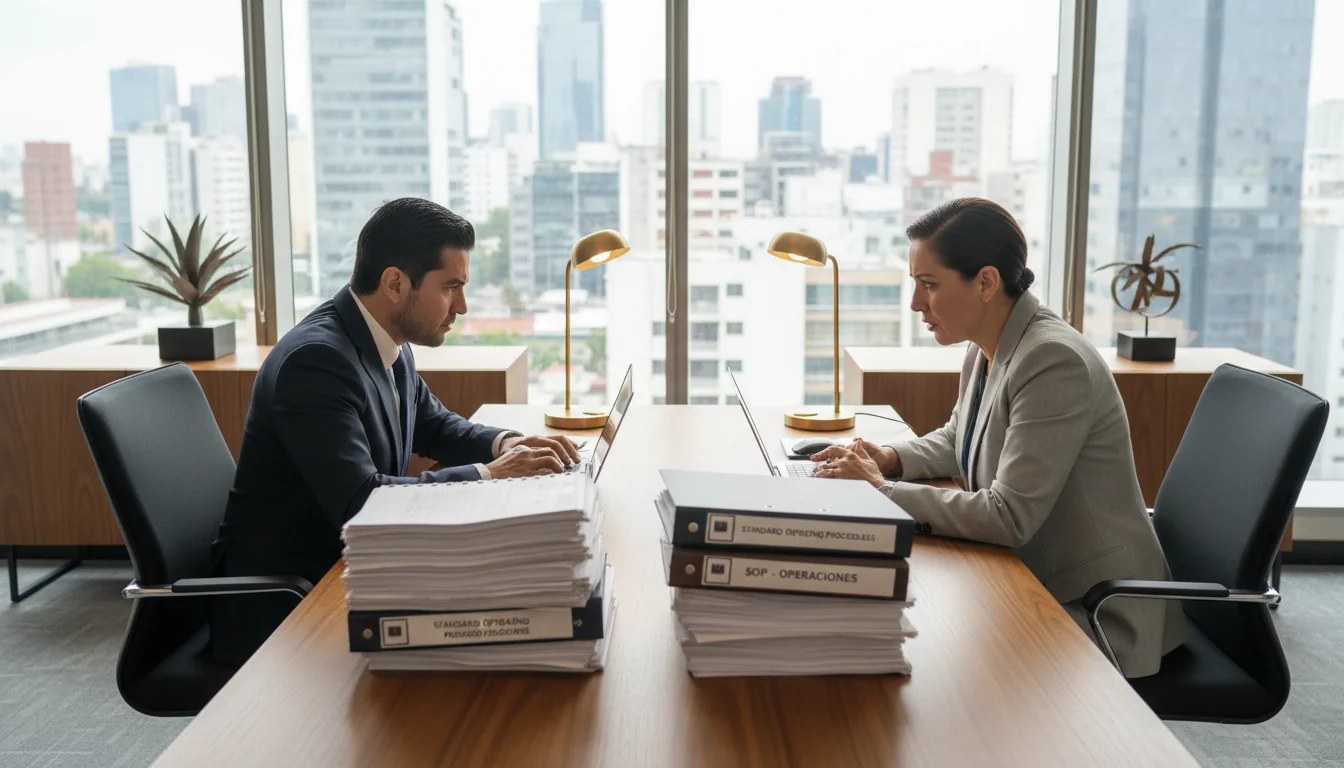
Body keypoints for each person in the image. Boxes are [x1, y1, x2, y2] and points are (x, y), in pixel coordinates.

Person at [810, 197, 1185, 678]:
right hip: (1032, 578)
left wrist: (882, 493)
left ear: (985, 282)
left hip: (1096, 609)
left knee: (933, 656)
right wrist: (887, 458)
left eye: (929, 285)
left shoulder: (1052, 361)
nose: (915, 303)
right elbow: (956, 438)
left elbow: (1009, 516)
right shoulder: (989, 346)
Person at [208, 197, 579, 664]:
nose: (461, 306)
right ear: (395, 283)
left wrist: (512, 444)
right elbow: (361, 501)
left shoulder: (385, 341)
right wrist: (492, 475)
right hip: (287, 605)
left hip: (358, 571)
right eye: (451, 287)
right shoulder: (316, 362)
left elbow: (433, 425)